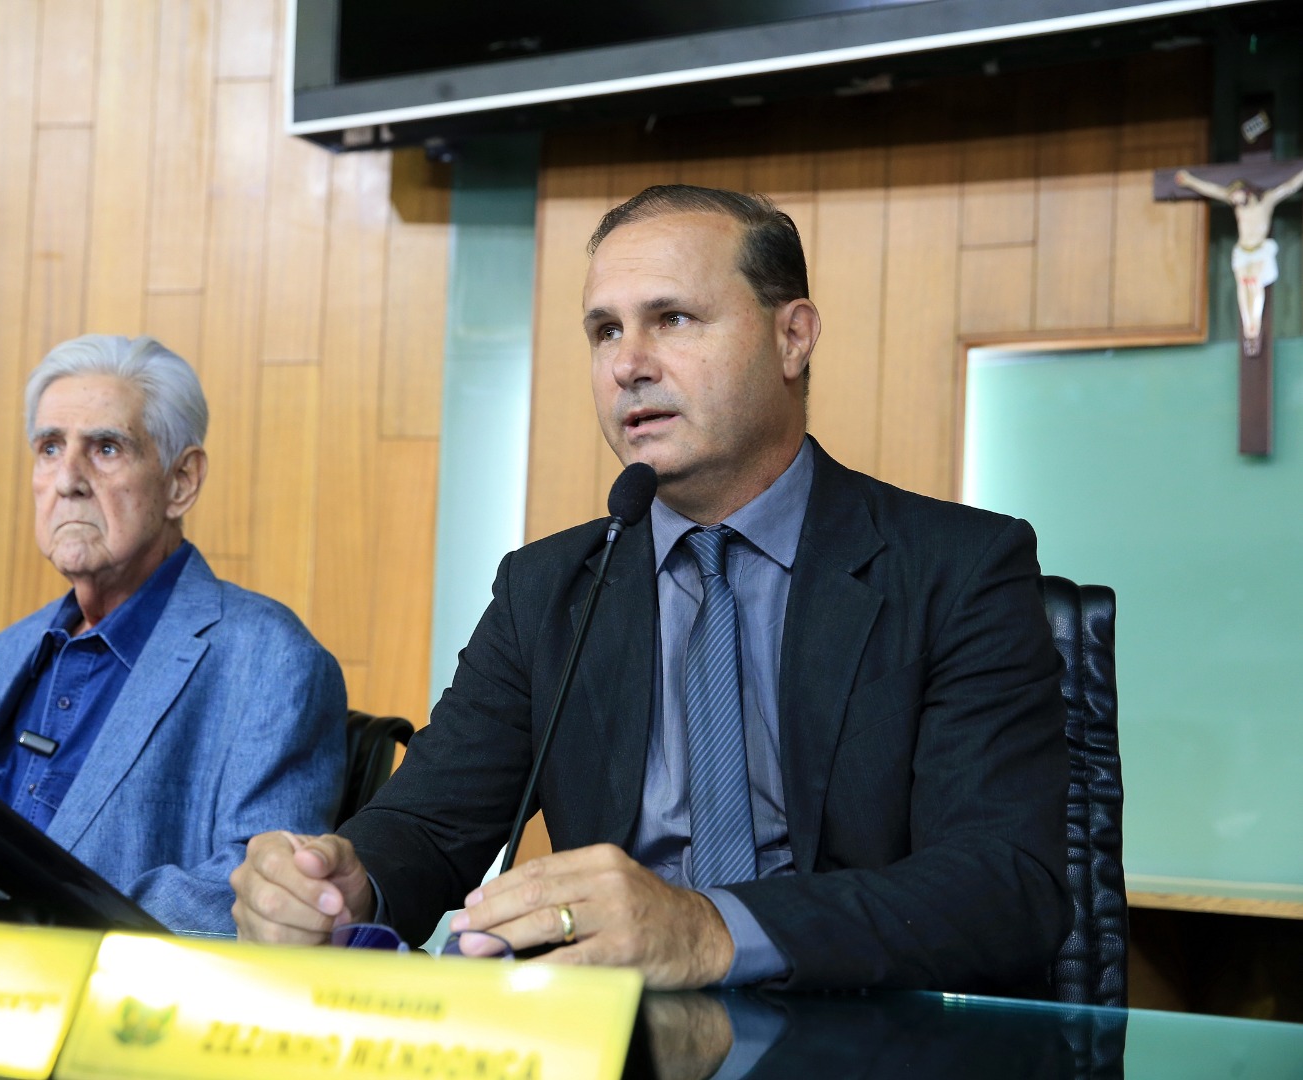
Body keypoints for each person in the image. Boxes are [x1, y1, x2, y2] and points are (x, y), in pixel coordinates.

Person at [231, 186, 1069, 993]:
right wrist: (344, 885)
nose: (627, 365)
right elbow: (428, 826)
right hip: (620, 1041)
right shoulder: (547, 589)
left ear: (792, 338)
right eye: (605, 331)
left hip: (867, 1038)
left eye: (672, 319)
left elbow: (1003, 884)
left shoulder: (958, 567)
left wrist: (709, 930)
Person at [0, 334, 345, 933]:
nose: (68, 479)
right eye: (49, 448)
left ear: (181, 482)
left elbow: (264, 899)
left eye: (106, 448)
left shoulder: (272, 663)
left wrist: (42, 926)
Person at [1175, 166, 1303, 355]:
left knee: (1254, 283)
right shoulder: (1236, 203)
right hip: (1243, 251)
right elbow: (1213, 190)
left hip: (1260, 250)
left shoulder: (1266, 201)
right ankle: (1247, 326)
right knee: (1243, 285)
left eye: (1237, 198)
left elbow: (1289, 186)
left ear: (1247, 192)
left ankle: (1254, 327)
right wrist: (1189, 181)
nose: (1235, 202)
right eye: (1233, 200)